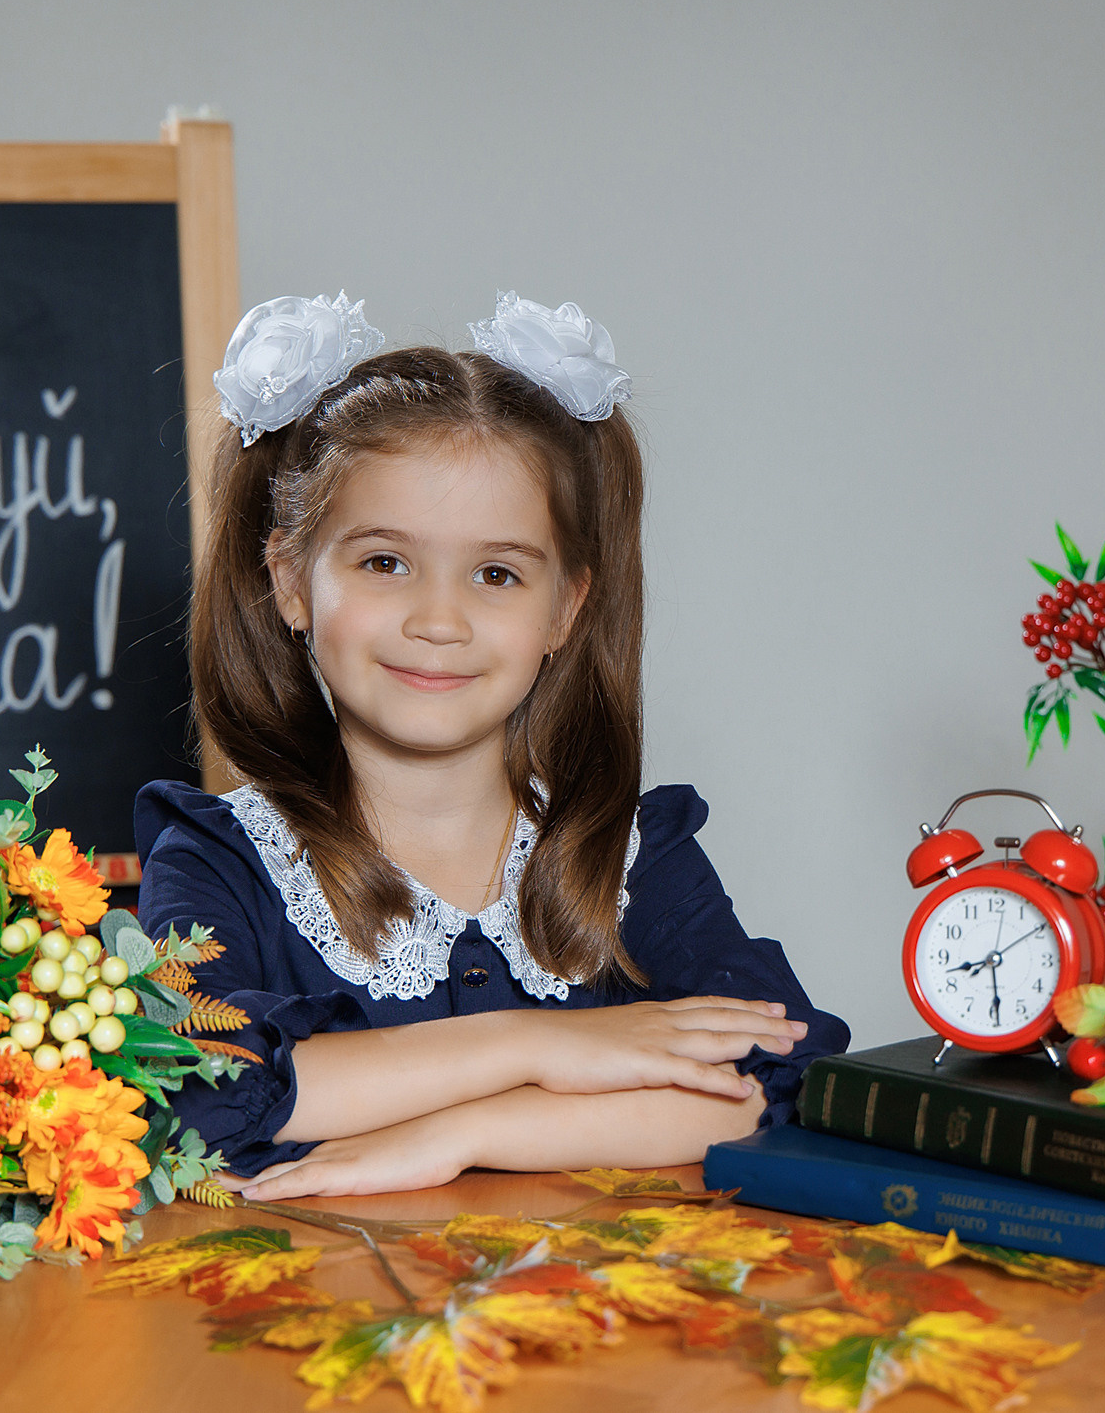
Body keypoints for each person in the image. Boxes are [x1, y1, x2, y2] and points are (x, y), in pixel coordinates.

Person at [135, 290, 848, 1201]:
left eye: (497, 573)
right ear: (290, 582)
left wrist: (466, 1131)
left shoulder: (633, 856)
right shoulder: (218, 862)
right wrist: (538, 1044)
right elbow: (197, 1094)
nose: (440, 620)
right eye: (385, 562)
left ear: (565, 610)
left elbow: (773, 1084)